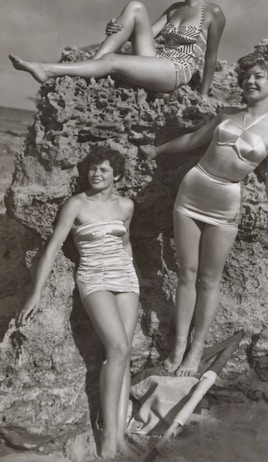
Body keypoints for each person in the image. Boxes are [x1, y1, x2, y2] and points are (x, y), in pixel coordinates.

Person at [140, 50, 268, 377]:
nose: (250, 81)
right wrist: (157, 150)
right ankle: (178, 346)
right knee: (186, 274)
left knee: (209, 279)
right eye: (247, 75)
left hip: (225, 202)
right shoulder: (226, 114)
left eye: (258, 77)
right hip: (192, 190)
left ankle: (196, 349)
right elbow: (194, 140)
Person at [17, 145, 139, 460]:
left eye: (104, 170)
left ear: (118, 176)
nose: (96, 174)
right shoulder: (76, 204)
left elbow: (125, 244)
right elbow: (53, 246)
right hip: (94, 277)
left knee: (125, 354)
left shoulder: (126, 206)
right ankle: (108, 440)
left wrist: (131, 272)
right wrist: (36, 292)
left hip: (125, 278)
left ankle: (121, 433)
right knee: (118, 349)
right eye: (93, 169)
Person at [9, 0, 224, 95]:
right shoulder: (174, 9)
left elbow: (210, 57)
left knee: (113, 61)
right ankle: (94, 64)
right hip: (157, 61)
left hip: (176, 71)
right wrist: (117, 29)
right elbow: (146, 34)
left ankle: (47, 69)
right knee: (136, 6)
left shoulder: (213, 12)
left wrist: (203, 95)